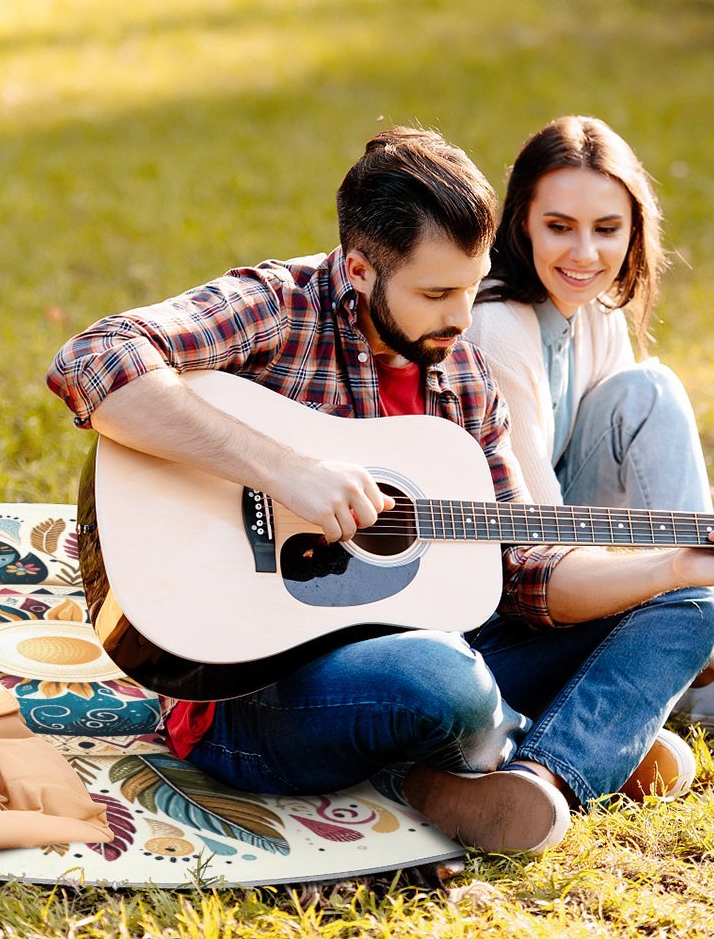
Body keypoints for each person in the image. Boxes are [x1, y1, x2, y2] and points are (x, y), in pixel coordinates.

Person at [47, 126, 714, 855]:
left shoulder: (462, 375)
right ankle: (563, 737)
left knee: (694, 604)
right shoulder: (278, 306)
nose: (462, 319)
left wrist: (670, 567)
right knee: (443, 680)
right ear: (360, 269)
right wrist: (283, 470)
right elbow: (94, 358)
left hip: (439, 648)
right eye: (436, 293)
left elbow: (523, 568)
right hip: (249, 694)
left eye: (471, 285)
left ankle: (544, 776)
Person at [467, 115, 714, 730]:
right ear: (521, 220)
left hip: (576, 548)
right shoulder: (497, 324)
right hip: (510, 586)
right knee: (651, 390)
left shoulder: (596, 310)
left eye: (607, 229)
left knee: (645, 390)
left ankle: (691, 635)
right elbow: (538, 541)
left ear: (634, 230)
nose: (585, 254)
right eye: (559, 227)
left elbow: (635, 475)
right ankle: (690, 650)